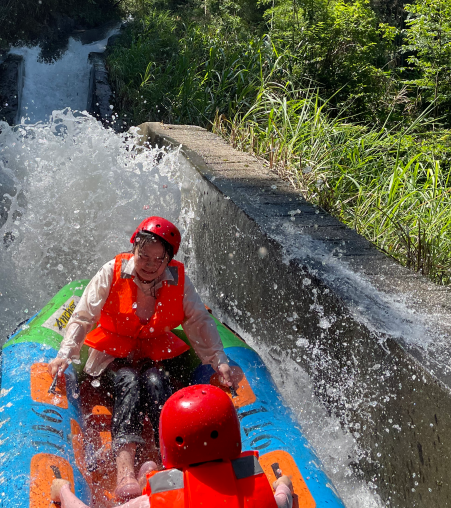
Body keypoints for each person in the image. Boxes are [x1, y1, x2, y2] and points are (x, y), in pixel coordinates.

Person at [48, 217, 237, 501]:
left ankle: (164, 461)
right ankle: (125, 468)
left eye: (158, 260)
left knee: (156, 379)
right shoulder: (111, 272)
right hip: (111, 355)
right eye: (143, 256)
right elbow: (84, 316)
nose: (149, 264)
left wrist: (218, 359)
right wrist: (65, 354)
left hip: (153, 351)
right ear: (133, 250)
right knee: (129, 381)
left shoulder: (178, 280)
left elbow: (198, 320)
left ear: (169, 260)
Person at [50, 384, 298, 508]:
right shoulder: (256, 490)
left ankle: (148, 474)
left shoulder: (155, 502)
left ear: (172, 444)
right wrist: (283, 484)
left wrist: (63, 492)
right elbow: (283, 498)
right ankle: (147, 472)